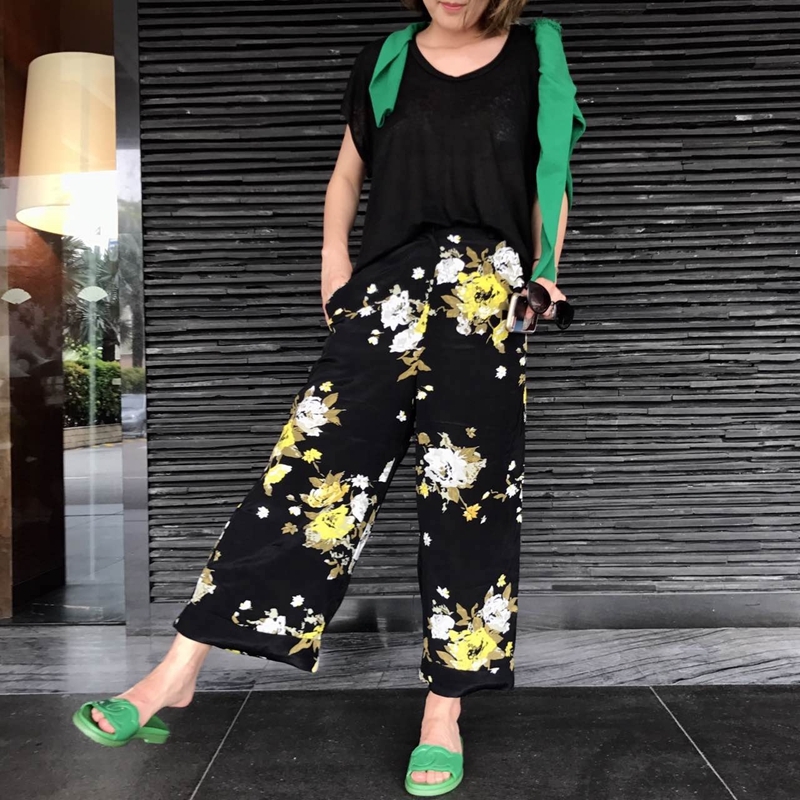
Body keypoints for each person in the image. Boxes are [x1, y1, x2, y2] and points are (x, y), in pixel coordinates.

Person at [72, 0, 585, 796]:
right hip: (382, 294)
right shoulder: (388, 58)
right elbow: (349, 172)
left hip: (487, 298)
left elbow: (551, 175)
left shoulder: (535, 53)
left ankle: (443, 711)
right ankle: (178, 670)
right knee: (307, 479)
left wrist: (544, 277)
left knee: (470, 502)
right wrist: (333, 266)